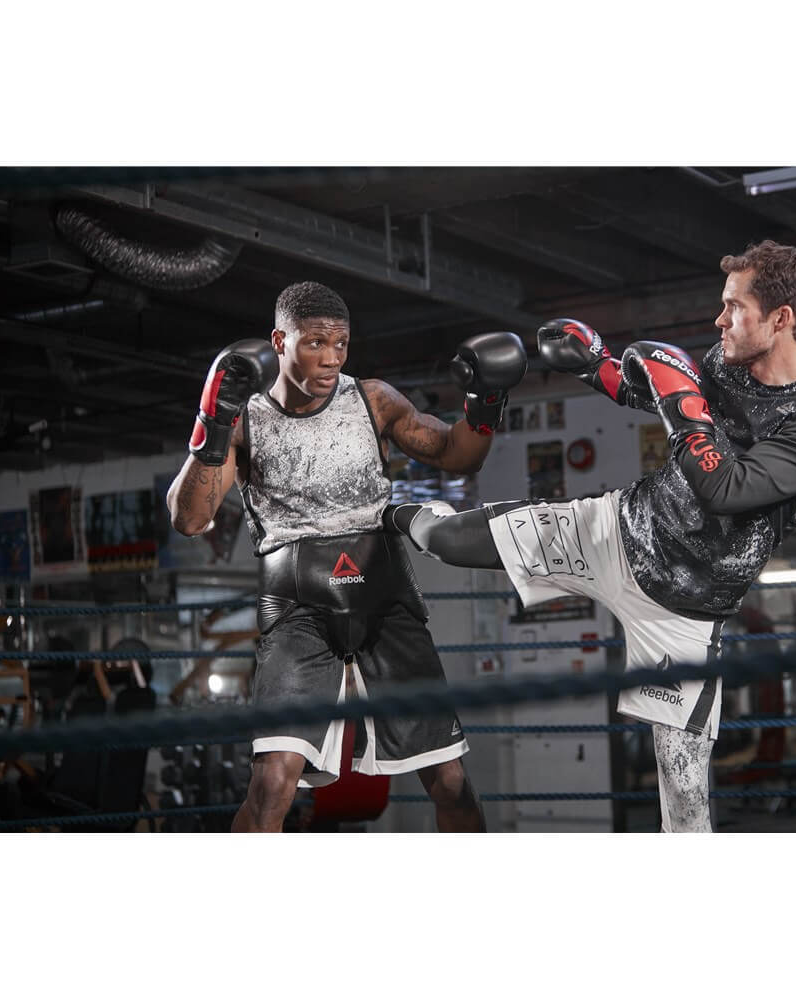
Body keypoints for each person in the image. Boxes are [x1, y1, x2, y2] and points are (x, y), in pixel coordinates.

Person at [383, 240, 796, 832]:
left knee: (684, 807)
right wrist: (595, 363)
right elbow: (652, 393)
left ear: (781, 319)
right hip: (616, 528)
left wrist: (683, 401)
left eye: (734, 307)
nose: (719, 320)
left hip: (684, 610)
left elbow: (726, 489)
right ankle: (384, 510)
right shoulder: (723, 363)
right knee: (448, 541)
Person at [166, 281, 527, 833]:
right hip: (296, 611)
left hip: (386, 598)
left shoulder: (372, 399)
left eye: (341, 343)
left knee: (450, 780)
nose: (331, 358)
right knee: (271, 783)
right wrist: (213, 424)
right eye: (315, 343)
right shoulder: (246, 419)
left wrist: (487, 403)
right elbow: (190, 519)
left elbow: (457, 454)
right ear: (279, 341)